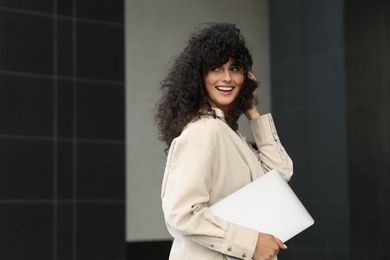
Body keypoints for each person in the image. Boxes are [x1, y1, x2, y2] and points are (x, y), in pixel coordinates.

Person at [154, 23, 293, 260]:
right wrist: (252, 243)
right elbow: (182, 214)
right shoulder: (203, 131)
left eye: (235, 68)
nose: (227, 78)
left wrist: (253, 114)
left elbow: (280, 175)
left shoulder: (227, 132)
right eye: (216, 68)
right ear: (199, 76)